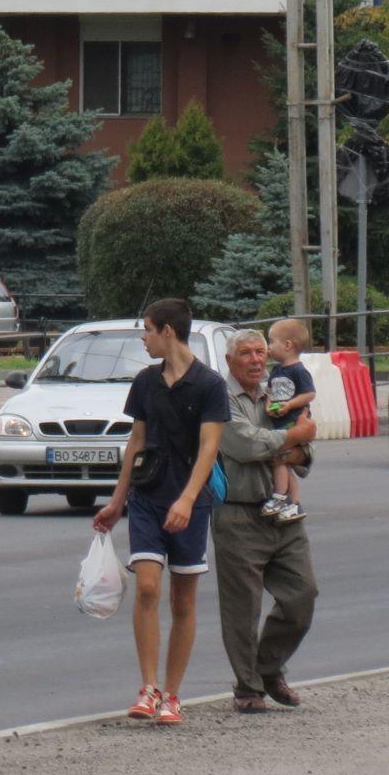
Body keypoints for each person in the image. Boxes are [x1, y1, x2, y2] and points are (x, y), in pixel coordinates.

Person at [92, 297, 229, 727]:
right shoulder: (146, 382)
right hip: (148, 498)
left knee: (183, 600)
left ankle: (173, 694)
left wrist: (188, 499)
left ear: (167, 331)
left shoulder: (209, 384)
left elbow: (209, 447)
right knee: (148, 587)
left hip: (191, 500)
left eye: (147, 330)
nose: (144, 338)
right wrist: (117, 500)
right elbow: (135, 442)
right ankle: (148, 688)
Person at [214, 325, 321, 714]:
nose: (257, 360)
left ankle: (268, 667)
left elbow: (307, 448)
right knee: (242, 608)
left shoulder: (281, 389)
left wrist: (293, 445)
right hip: (239, 514)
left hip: (285, 515)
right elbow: (242, 444)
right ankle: (248, 688)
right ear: (230, 361)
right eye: (246, 353)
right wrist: (290, 442)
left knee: (302, 594)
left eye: (261, 352)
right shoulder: (220, 398)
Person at [263, 321, 318, 523]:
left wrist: (289, 405)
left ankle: (279, 497)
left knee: (279, 459)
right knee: (283, 463)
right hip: (279, 422)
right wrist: (269, 405)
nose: (268, 347)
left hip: (293, 423)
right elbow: (269, 392)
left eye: (271, 342)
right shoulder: (276, 370)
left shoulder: (298, 371)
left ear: (287, 345)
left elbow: (310, 394)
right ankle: (294, 503)